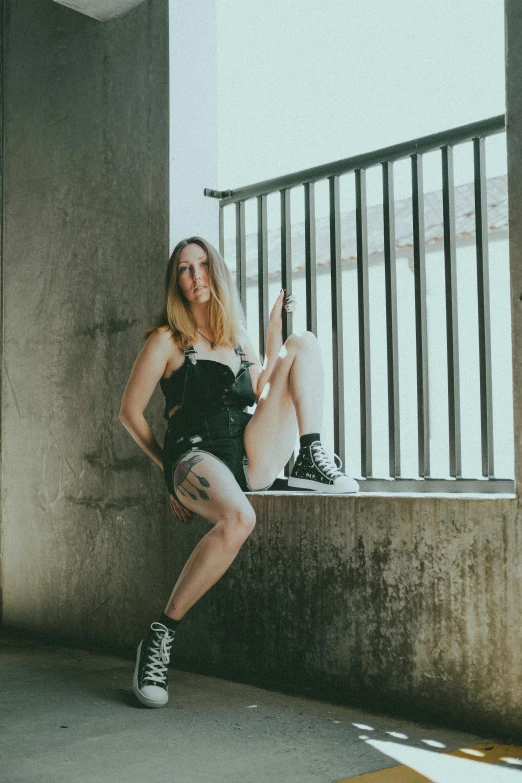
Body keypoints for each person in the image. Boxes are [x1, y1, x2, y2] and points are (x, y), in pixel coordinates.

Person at [119, 236, 359, 708]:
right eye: (185, 269)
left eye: (203, 264)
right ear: (177, 282)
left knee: (303, 343)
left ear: (217, 271)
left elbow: (264, 391)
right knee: (239, 519)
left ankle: (311, 452)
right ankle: (161, 636)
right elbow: (130, 413)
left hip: (245, 452)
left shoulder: (238, 340)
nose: (195, 276)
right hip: (194, 453)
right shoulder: (166, 340)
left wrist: (273, 330)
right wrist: (169, 471)